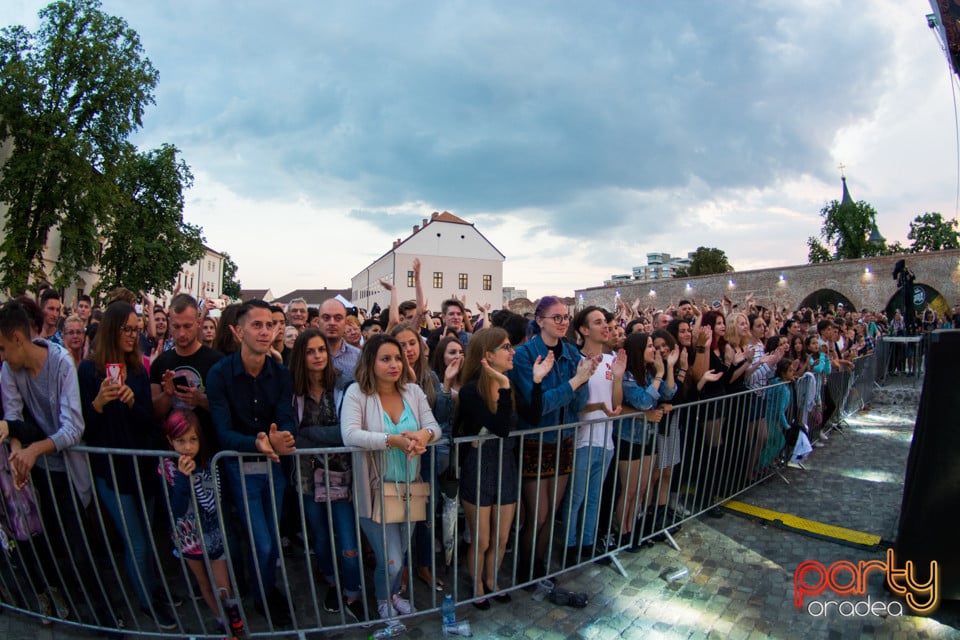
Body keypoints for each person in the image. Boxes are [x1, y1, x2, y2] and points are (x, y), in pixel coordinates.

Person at [78, 301, 177, 629]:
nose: (133, 336)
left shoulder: (137, 369)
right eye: (127, 329)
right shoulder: (89, 370)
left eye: (136, 330)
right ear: (111, 329)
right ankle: (149, 602)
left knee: (147, 537)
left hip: (141, 467)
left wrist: (135, 403)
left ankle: (152, 589)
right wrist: (98, 403)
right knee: (134, 540)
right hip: (111, 470)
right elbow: (83, 428)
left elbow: (148, 423)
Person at [0, 299, 100, 625]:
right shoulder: (9, 370)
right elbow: (13, 417)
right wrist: (18, 453)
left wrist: (32, 450)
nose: (1, 356)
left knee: (80, 547)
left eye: (2, 347)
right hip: (40, 469)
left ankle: (105, 617)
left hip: (68, 469)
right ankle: (67, 606)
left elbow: (73, 428)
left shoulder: (61, 363)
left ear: (17, 338)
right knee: (51, 542)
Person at [206, 299, 297, 627]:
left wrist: (280, 439)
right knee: (260, 539)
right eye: (256, 325)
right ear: (236, 330)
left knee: (271, 536)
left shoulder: (281, 374)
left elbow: (287, 422)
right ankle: (262, 597)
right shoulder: (220, 374)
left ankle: (265, 591)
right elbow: (223, 431)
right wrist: (258, 442)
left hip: (273, 465)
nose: (265, 331)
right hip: (237, 466)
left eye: (270, 325)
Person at [339, 334, 441, 621]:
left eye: (397, 358)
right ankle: (383, 599)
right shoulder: (357, 393)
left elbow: (434, 427)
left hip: (409, 488)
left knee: (399, 554)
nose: (395, 364)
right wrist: (391, 440)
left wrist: (425, 435)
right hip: (373, 491)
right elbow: (349, 434)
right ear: (370, 362)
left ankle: (393, 594)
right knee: (392, 558)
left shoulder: (413, 392)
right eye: (386, 359)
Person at [456, 327, 551, 608]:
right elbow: (501, 428)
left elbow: (532, 416)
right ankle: (477, 587)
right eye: (507, 347)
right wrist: (504, 387)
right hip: (480, 465)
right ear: (488, 355)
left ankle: (492, 581)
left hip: (506, 464)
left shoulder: (508, 382)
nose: (513, 352)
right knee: (482, 539)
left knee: (502, 535)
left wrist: (535, 382)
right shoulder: (472, 390)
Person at [508, 296, 595, 581]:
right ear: (540, 320)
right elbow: (539, 405)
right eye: (556, 317)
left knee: (552, 511)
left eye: (566, 317)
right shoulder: (524, 355)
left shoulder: (570, 352)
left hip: (565, 437)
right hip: (536, 438)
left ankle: (539, 565)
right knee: (538, 514)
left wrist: (581, 381)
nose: (562, 322)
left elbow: (578, 403)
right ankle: (525, 567)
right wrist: (574, 382)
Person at [288, 329, 365, 623]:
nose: (318, 355)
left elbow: (345, 433)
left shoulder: (345, 386)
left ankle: (353, 592)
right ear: (301, 356)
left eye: (321, 350)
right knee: (320, 535)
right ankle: (333, 582)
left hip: (341, 476)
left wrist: (306, 434)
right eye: (310, 351)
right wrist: (302, 437)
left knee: (347, 541)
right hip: (307, 478)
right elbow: (290, 434)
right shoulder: (293, 391)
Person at [159, 409, 244, 638]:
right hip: (187, 537)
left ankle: (233, 617)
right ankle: (222, 622)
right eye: (181, 440)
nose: (187, 447)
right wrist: (182, 479)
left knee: (222, 583)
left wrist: (193, 474)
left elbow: (211, 502)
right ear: (170, 441)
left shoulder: (210, 463)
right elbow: (176, 508)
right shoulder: (166, 467)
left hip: (212, 532)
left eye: (193, 439)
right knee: (203, 582)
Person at [390, 323, 455, 592]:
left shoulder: (429, 377)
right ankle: (402, 569)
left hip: (425, 456)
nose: (408, 350)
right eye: (401, 345)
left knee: (427, 515)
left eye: (412, 343)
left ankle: (424, 566)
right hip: (398, 456)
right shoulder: (388, 377)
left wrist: (447, 386)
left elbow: (440, 417)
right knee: (401, 516)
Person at [562, 307, 622, 564]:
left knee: (594, 497)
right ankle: (568, 545)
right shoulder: (575, 360)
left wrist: (618, 379)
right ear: (584, 330)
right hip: (583, 439)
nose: (605, 326)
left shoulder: (611, 361)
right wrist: (596, 408)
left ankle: (587, 544)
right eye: (598, 323)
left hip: (605, 440)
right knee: (576, 497)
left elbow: (615, 403)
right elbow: (574, 404)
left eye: (605, 322)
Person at [150, 294, 224, 449]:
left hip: (208, 452)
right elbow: (154, 412)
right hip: (171, 453)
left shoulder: (217, 362)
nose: (182, 333)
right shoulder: (160, 363)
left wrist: (200, 399)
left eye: (187, 326)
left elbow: (227, 408)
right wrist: (167, 394)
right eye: (176, 327)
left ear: (198, 323)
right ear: (170, 325)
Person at [319, 298, 361, 384]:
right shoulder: (306, 356)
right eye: (326, 318)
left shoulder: (359, 358)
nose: (332, 323)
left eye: (338, 318)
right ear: (318, 320)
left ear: (345, 322)